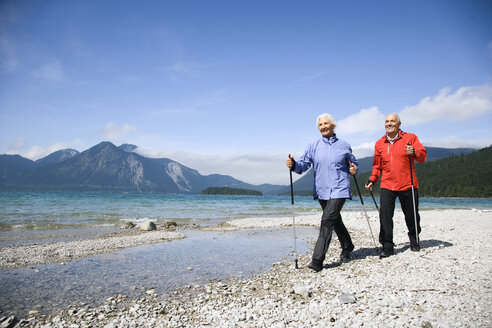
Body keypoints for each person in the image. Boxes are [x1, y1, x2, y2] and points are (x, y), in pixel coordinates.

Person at [286, 113, 358, 272]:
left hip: (340, 189)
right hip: (322, 190)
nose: (323, 127)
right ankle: (348, 246)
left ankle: (317, 260)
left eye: (326, 124)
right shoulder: (313, 146)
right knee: (335, 220)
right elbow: (303, 165)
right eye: (320, 125)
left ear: (333, 126)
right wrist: (293, 165)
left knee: (327, 220)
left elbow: (353, 163)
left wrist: (354, 169)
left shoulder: (344, 145)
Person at [365, 113, 427, 258]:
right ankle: (387, 246)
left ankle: (414, 239)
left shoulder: (410, 138)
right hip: (387, 184)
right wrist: (372, 179)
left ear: (399, 124)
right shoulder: (379, 143)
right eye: (387, 121)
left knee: (411, 215)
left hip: (408, 183)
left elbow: (422, 157)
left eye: (392, 121)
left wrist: (414, 151)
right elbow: (377, 166)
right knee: (385, 216)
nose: (389, 124)